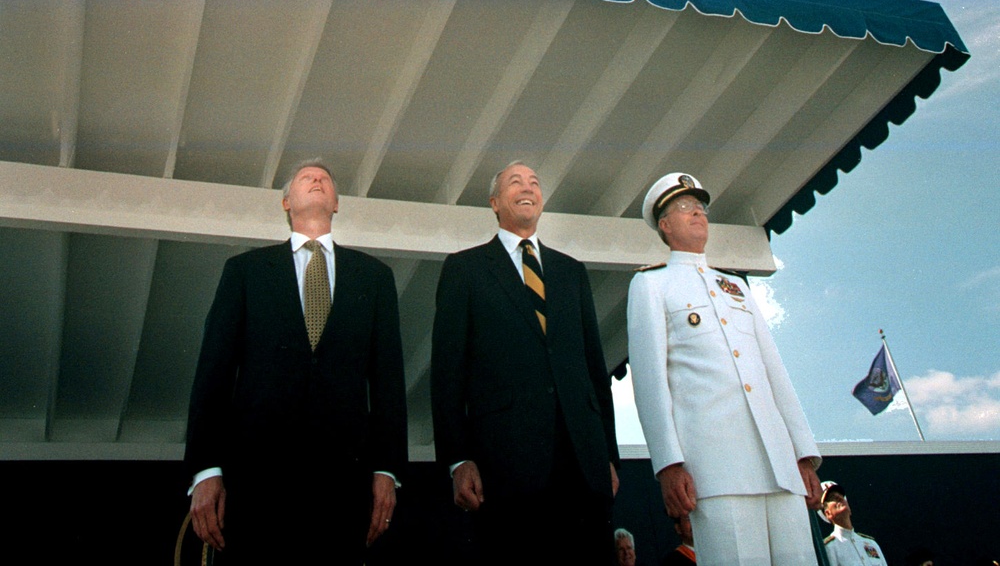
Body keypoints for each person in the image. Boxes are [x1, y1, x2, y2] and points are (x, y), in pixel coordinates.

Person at [185, 159, 407, 564]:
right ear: (287, 202)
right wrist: (206, 470)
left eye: (325, 178)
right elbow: (213, 374)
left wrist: (387, 470)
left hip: (344, 482)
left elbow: (388, 382)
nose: (317, 177)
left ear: (336, 203)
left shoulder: (375, 277)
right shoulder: (245, 271)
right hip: (257, 479)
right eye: (306, 177)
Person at [627, 171, 822, 566]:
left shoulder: (736, 287)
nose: (697, 212)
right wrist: (668, 464)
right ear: (664, 226)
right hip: (716, 468)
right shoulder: (651, 285)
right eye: (684, 207)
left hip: (779, 463)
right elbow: (650, 382)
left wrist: (803, 454)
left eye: (700, 206)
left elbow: (775, 374)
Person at [431, 160, 620, 564]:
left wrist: (608, 455)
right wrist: (458, 459)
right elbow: (447, 373)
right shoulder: (464, 269)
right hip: (506, 467)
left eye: (534, 182)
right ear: (494, 202)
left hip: (583, 464)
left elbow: (594, 369)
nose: (528, 187)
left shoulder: (572, 271)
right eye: (515, 182)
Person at [820, 482, 888, 564]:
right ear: (828, 513)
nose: (839, 498)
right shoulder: (829, 548)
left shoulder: (871, 544)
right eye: (832, 497)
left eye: (841, 495)